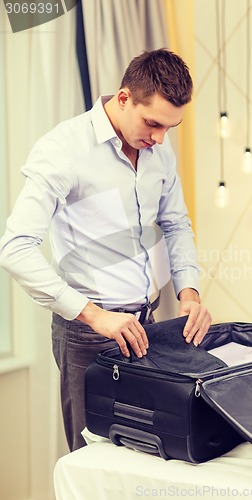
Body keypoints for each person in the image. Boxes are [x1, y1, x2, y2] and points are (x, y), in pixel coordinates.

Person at [0, 48, 212, 451]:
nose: (160, 139)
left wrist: (188, 292)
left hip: (150, 325)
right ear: (124, 97)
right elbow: (15, 248)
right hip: (88, 336)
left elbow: (176, 223)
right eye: (153, 124)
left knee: (149, 456)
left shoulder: (158, 149)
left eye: (171, 128)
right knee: (93, 463)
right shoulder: (63, 149)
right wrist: (95, 316)